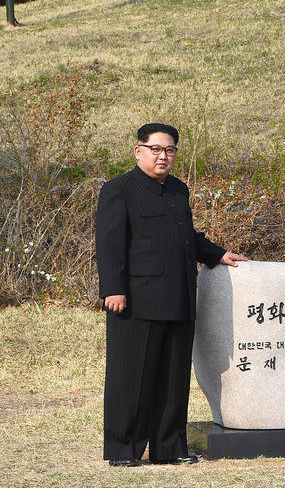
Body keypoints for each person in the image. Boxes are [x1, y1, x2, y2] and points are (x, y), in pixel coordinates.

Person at [96, 123, 247, 466]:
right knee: (130, 376)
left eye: (170, 150)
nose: (163, 156)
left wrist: (217, 254)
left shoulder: (178, 190)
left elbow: (185, 236)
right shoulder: (119, 190)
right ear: (139, 151)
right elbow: (109, 244)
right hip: (136, 300)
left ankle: (169, 449)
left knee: (173, 377)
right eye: (156, 149)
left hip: (179, 297)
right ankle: (124, 450)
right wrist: (113, 289)